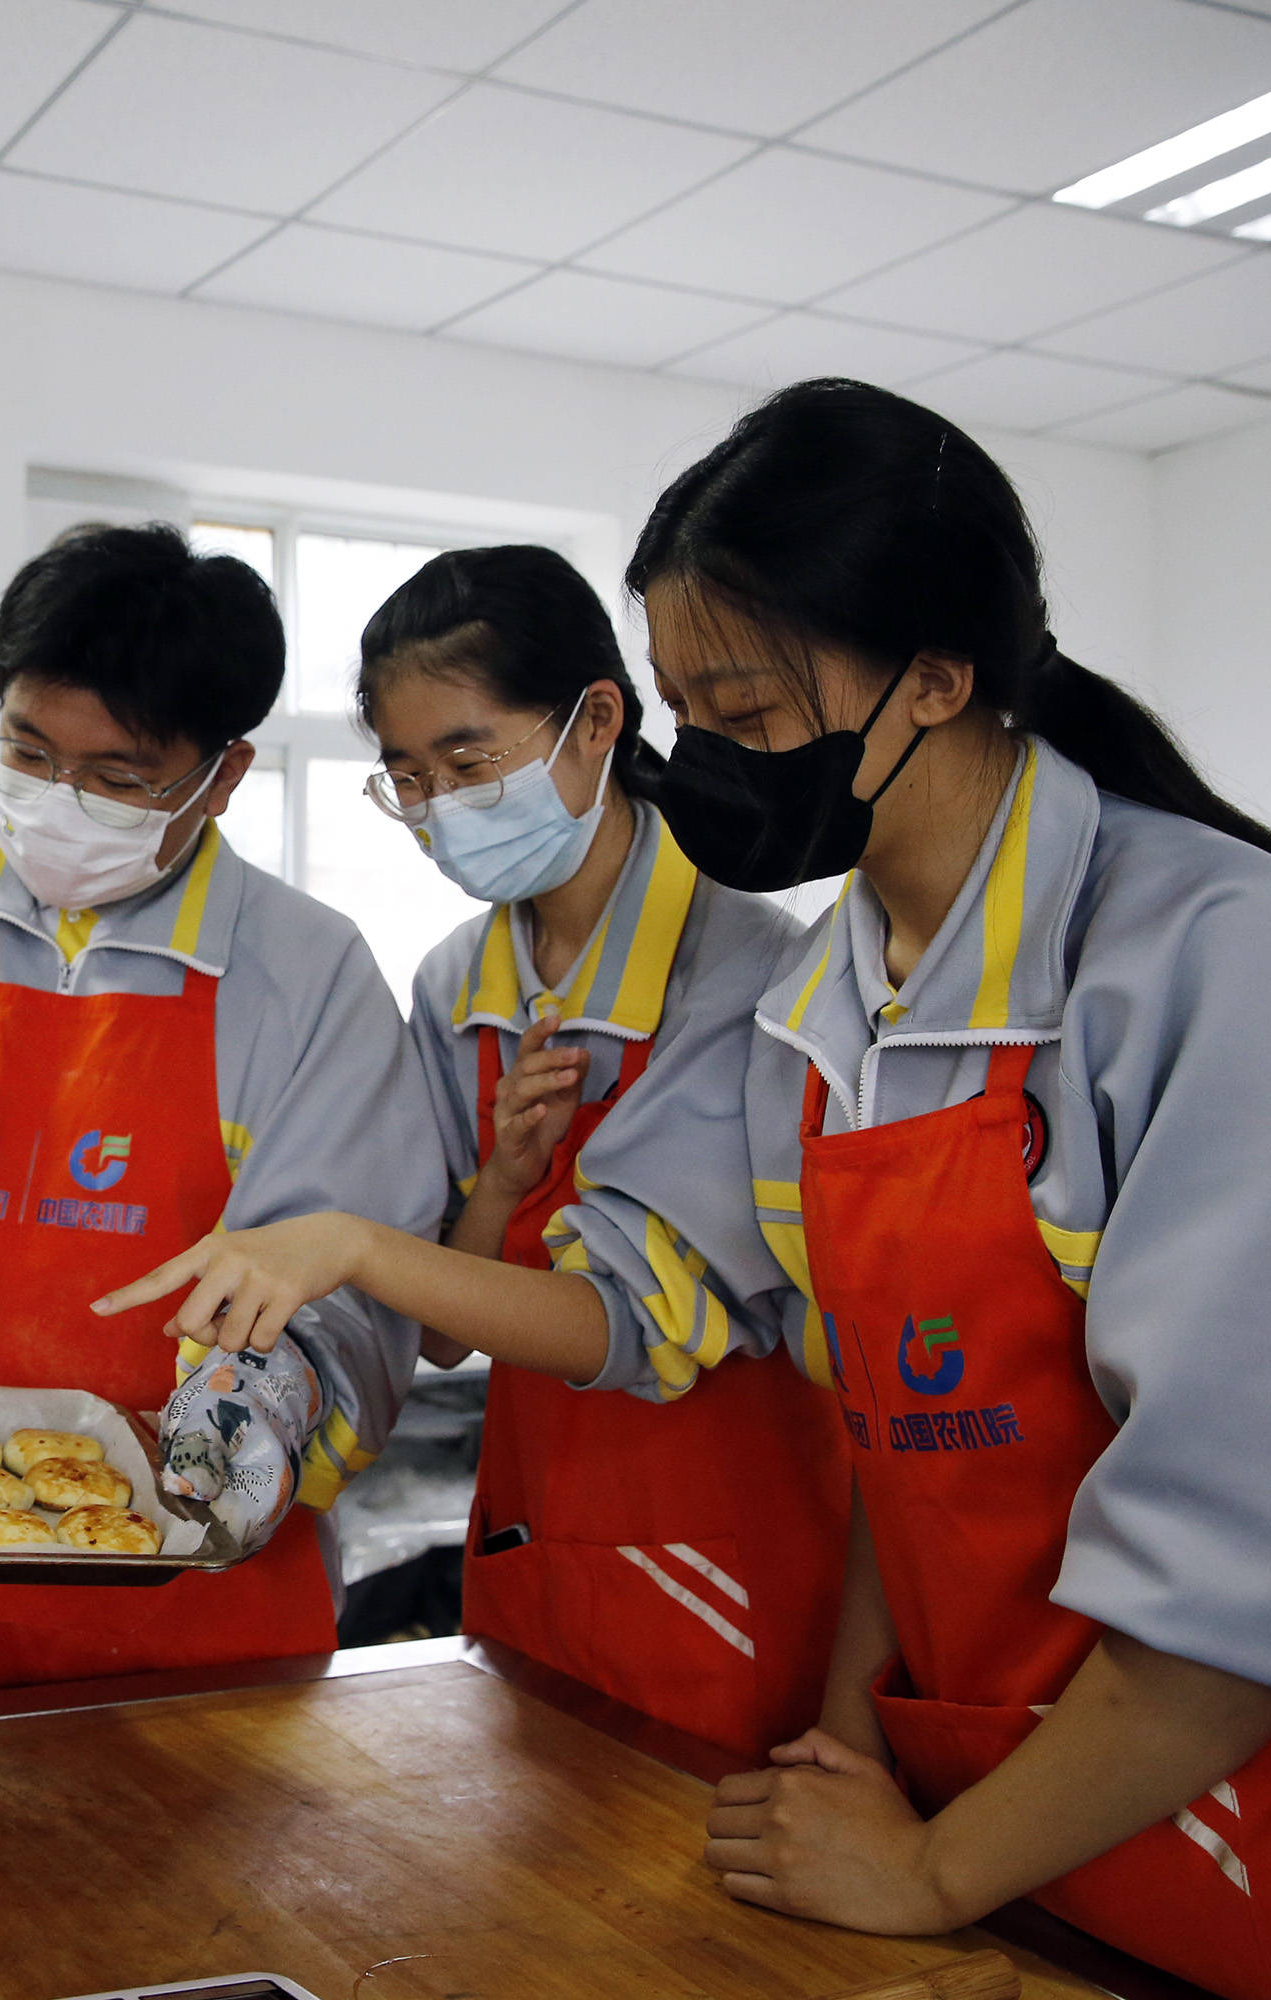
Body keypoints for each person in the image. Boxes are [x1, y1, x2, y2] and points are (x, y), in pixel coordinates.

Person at [105, 382, 1271, 2000]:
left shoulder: (1222, 967)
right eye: (690, 718)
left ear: (940, 677)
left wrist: (939, 1861)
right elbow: (906, 1439)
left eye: (743, 717)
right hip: (977, 1803)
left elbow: (1269, 1558)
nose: (710, 772)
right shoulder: (838, 1002)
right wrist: (844, 1746)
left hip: (1240, 1824)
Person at [0, 522, 445, 1710]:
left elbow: (360, 1307)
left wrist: (232, 1449)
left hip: (181, 1598)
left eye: (118, 779)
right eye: (27, 749)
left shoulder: (306, 974)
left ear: (223, 775)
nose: (61, 801)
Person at [373, 545, 845, 1760]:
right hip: (533, 1531)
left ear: (597, 721)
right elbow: (443, 1327)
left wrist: (351, 1248)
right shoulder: (457, 987)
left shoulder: (749, 971)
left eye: (470, 761)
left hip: (723, 1544)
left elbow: (634, 1323)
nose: (442, 807)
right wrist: (500, 1185)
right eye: (409, 778)